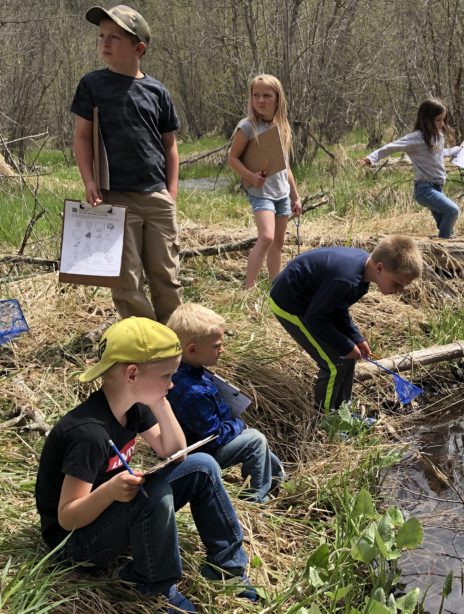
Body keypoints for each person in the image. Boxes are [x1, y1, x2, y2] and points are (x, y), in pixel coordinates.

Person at [34, 317, 258, 613]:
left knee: (202, 465)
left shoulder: (134, 408)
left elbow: (175, 452)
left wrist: (160, 403)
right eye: (166, 375)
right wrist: (111, 491)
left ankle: (227, 567)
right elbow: (67, 517)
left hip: (114, 513)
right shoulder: (88, 433)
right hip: (76, 545)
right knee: (154, 494)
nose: (172, 383)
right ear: (132, 374)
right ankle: (153, 586)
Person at [71, 5, 182, 323]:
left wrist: (171, 193)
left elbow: (170, 146)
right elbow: (82, 138)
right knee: (125, 281)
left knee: (167, 276)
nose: (105, 42)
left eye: (115, 37)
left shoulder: (157, 91)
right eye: (102, 36)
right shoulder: (92, 85)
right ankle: (145, 344)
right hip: (114, 197)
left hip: (156, 197)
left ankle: (174, 344)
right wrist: (90, 182)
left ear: (139, 48)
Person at [269, 235, 423, 412]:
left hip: (313, 304)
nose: (398, 291)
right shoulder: (347, 280)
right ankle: (326, 418)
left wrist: (355, 338)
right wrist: (345, 345)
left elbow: (337, 307)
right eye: (397, 284)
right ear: (380, 268)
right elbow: (315, 319)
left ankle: (343, 411)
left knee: (347, 357)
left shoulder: (362, 275)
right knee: (334, 363)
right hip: (290, 303)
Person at [166, 303, 284, 502]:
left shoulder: (184, 371)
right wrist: (238, 424)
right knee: (254, 439)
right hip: (198, 453)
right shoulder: (192, 391)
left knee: (249, 435)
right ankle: (256, 498)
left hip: (201, 440)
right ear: (192, 349)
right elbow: (213, 437)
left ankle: (276, 477)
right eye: (216, 346)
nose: (222, 349)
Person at [228, 74, 302, 288]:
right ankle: (247, 289)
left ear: (277, 99)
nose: (260, 100)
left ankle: (274, 287)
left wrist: (295, 196)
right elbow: (232, 159)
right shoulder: (247, 126)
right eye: (256, 95)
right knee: (267, 237)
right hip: (261, 193)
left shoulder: (282, 127)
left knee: (278, 242)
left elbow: (285, 167)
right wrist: (250, 176)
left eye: (267, 95)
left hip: (281, 193)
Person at [361, 99, 462, 239]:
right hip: (425, 190)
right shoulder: (416, 138)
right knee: (452, 211)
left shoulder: (437, 137)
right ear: (427, 119)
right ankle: (445, 247)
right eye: (438, 120)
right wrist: (371, 158)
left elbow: (438, 154)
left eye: (443, 120)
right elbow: (390, 147)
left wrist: (455, 151)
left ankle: (444, 246)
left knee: (447, 227)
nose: (442, 124)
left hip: (438, 188)